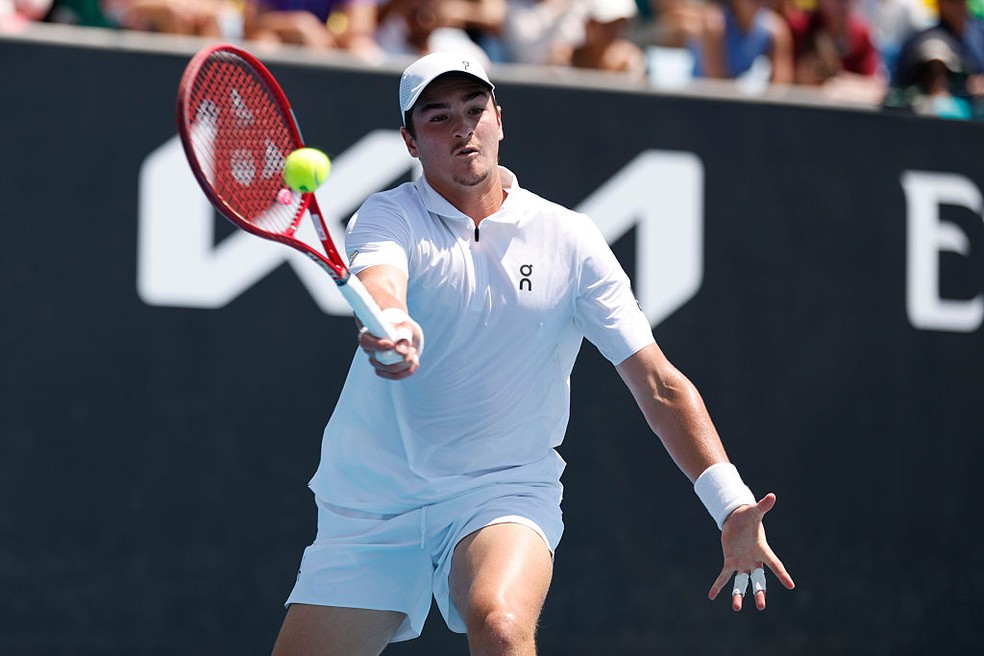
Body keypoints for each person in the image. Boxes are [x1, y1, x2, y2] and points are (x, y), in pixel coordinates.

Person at [271, 51, 795, 655]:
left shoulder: (569, 239)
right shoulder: (389, 216)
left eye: (475, 109)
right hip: (372, 504)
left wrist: (730, 504)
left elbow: (657, 383)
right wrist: (393, 324)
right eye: (438, 118)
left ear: (500, 117)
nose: (462, 128)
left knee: (500, 623)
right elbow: (384, 285)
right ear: (410, 143)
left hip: (501, 489)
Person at [688, 0, 795, 85]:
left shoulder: (776, 30)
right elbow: (715, 85)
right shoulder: (714, 24)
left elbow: (780, 87)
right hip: (699, 101)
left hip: (735, 103)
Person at [570, 0, 647, 76]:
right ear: (590, 24)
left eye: (620, 24)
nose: (614, 30)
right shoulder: (569, 57)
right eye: (607, 24)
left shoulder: (632, 60)